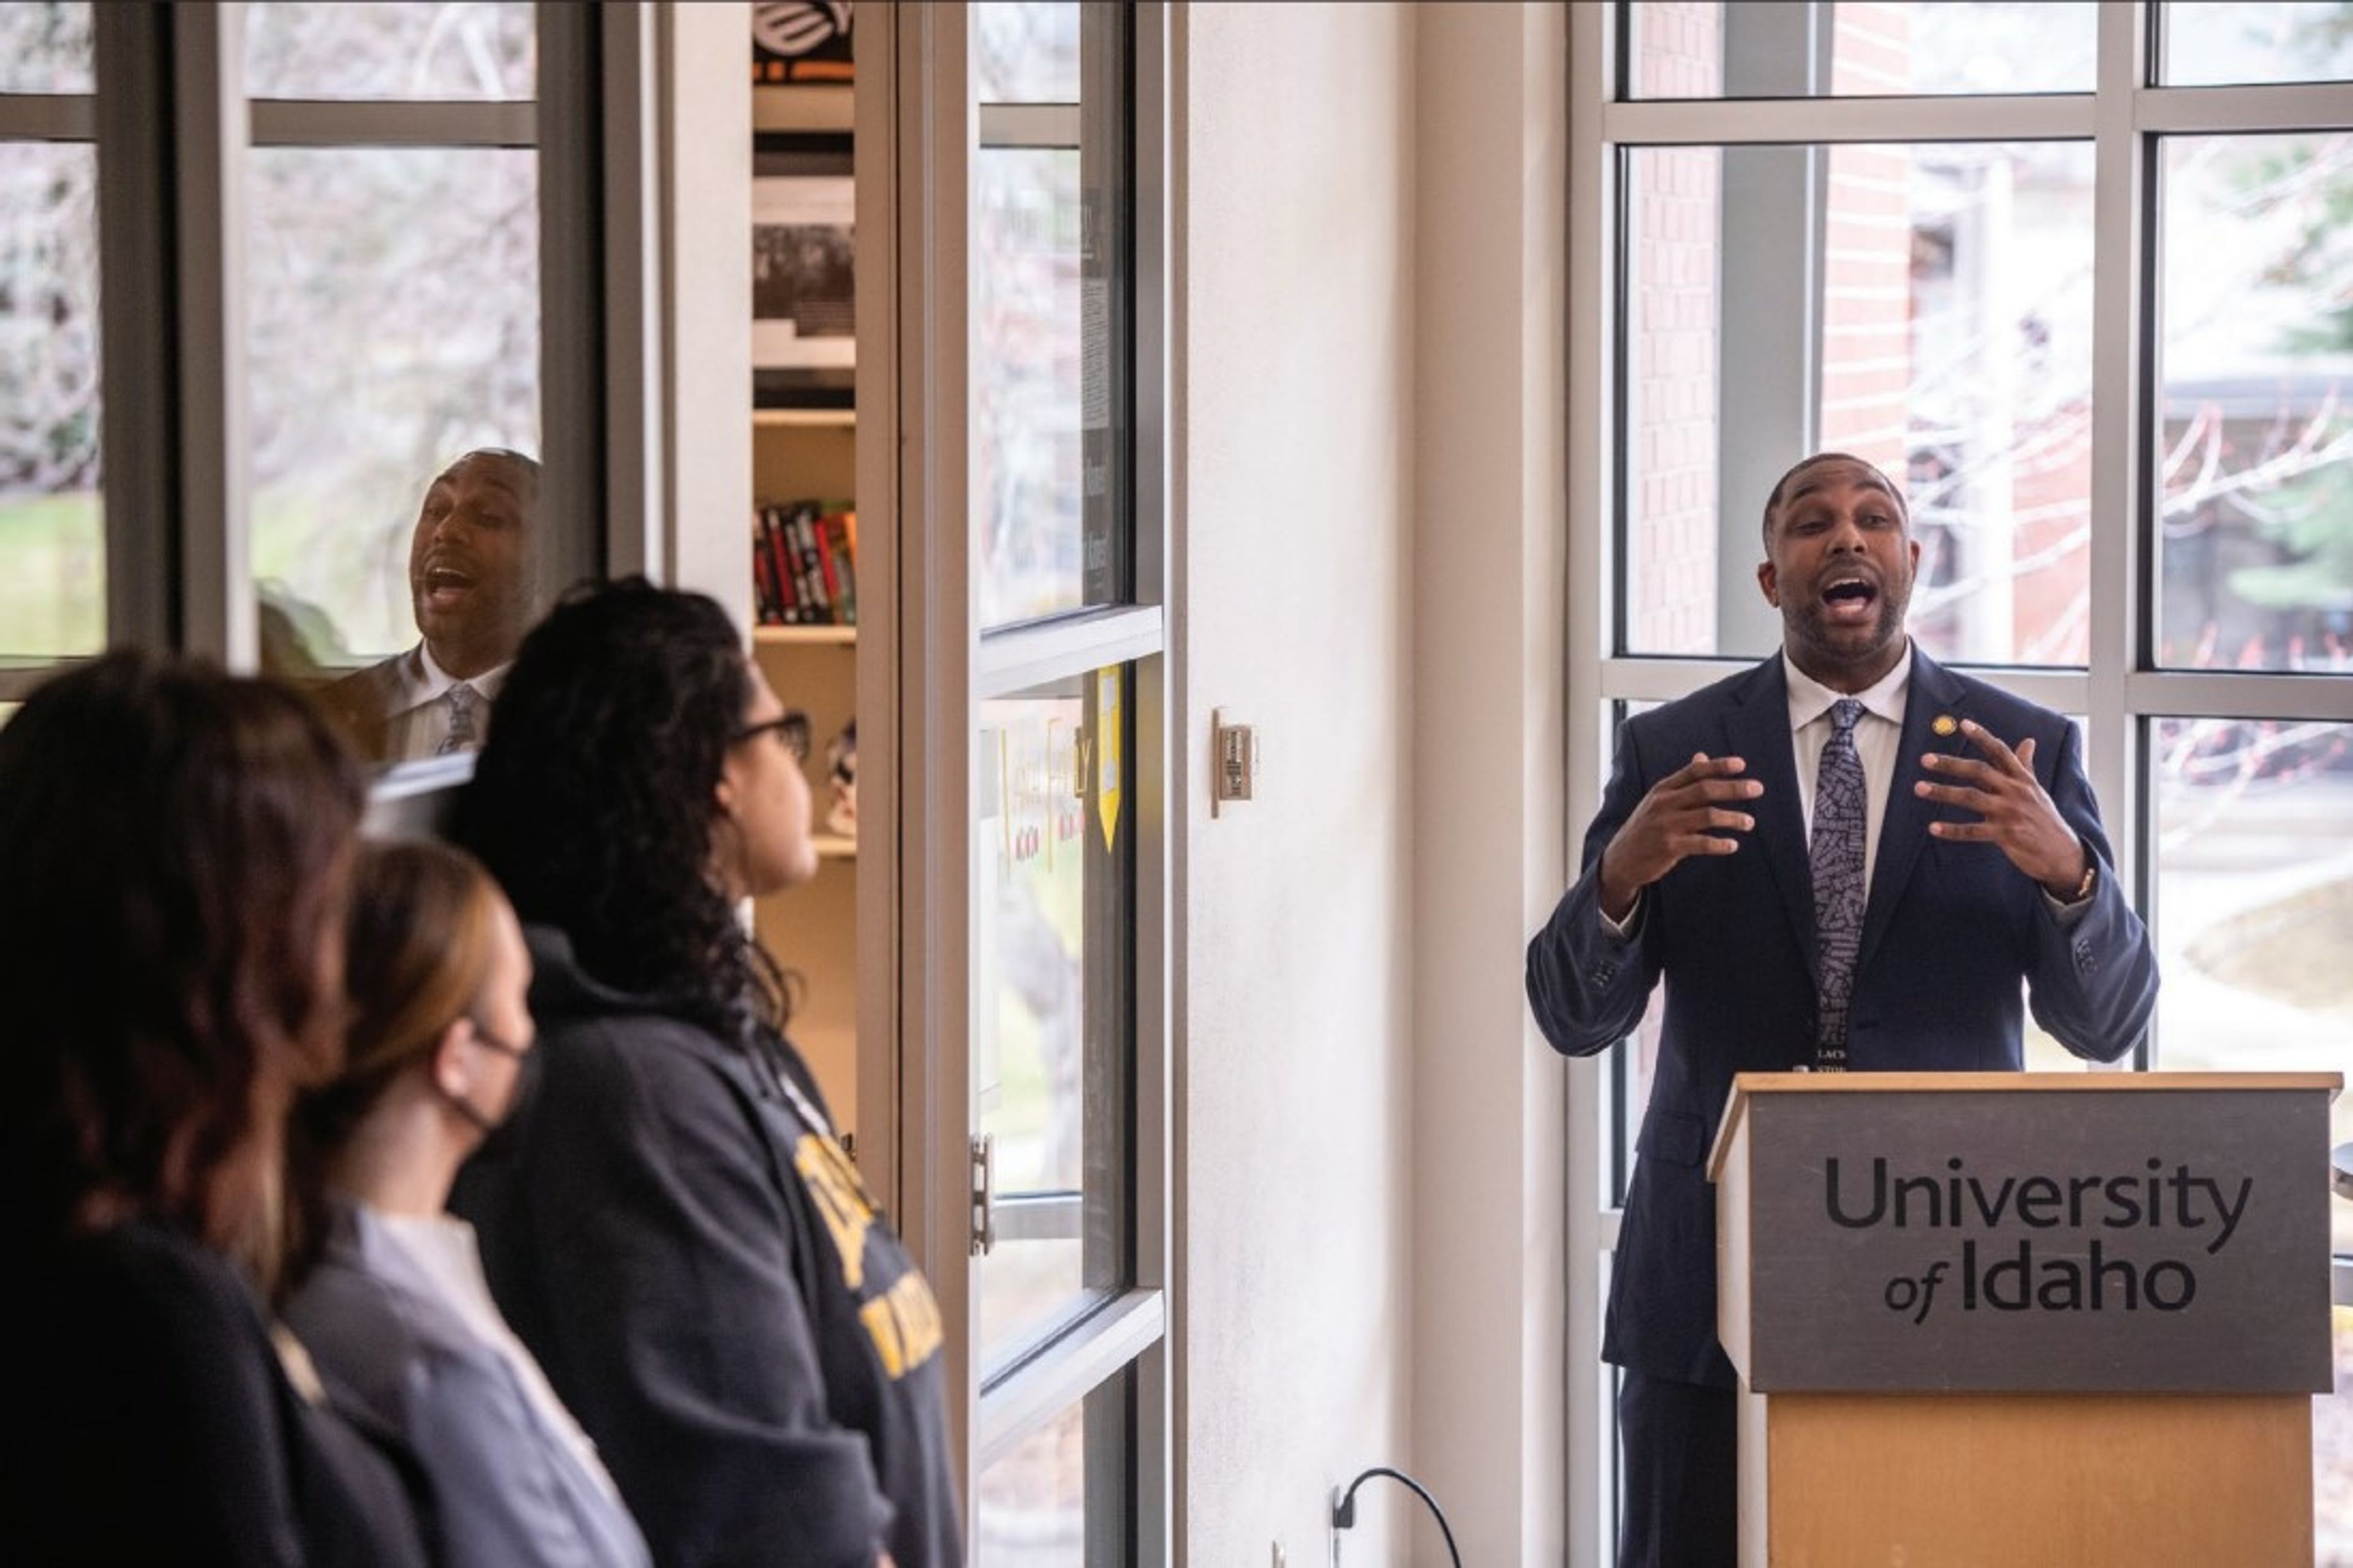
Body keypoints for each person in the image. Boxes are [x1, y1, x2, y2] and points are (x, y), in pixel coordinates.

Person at [1525, 452, 2159, 1567]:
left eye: (1876, 518)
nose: (1847, 537)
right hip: (1705, 1263)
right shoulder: (1673, 751)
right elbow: (1573, 1015)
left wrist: (2069, 876)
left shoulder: (2023, 753)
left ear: (1913, 561)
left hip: (1949, 1257)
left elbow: (2108, 1025)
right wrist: (1619, 878)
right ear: (1773, 577)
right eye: (1813, 523)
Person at [448, 577, 960, 1568]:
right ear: (714, 775)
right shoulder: (636, 1101)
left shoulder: (718, 1037)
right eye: (786, 733)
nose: (802, 768)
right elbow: (760, 1512)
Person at [0, 650, 431, 1567]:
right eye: (324, 901)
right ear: (236, 952)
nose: (344, 952)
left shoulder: (88, 1225)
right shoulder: (138, 1308)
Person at [282, 840, 654, 1568]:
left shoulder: (326, 1264)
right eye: (516, 1000)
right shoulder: (434, 1361)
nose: (527, 1034)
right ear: (456, 1059)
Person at [324, 448, 541, 763]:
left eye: (489, 518)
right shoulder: (334, 716)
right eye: (436, 510)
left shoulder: (585, 717)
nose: (446, 531)